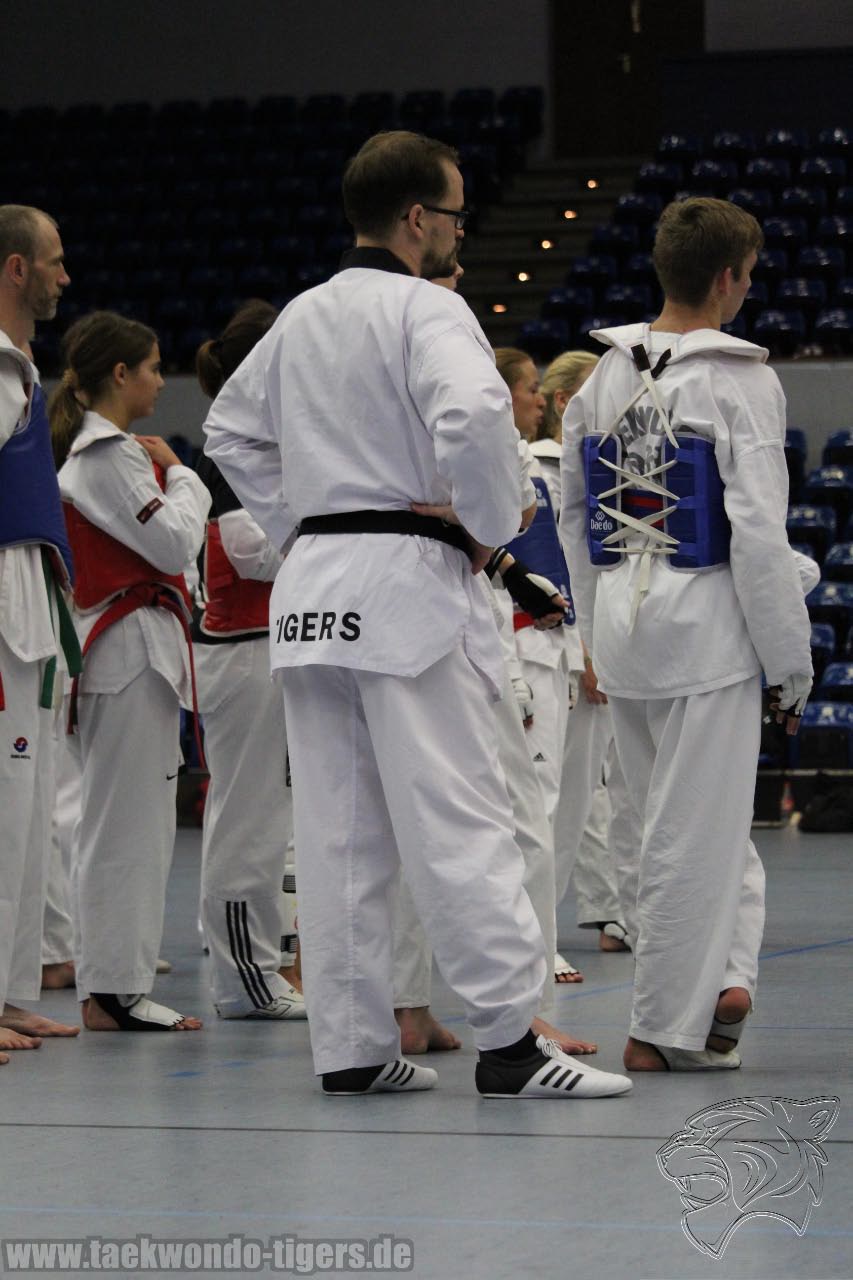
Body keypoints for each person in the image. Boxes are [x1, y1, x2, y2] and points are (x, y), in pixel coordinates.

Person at [204, 129, 631, 1099]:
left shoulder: (303, 314)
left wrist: (304, 521)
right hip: (405, 585)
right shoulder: (428, 309)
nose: (460, 232)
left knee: (337, 832)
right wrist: (489, 521)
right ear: (414, 218)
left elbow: (227, 427)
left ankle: (352, 1047)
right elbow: (476, 418)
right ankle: (511, 1043)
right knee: (460, 814)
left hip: (315, 590)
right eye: (453, 215)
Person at [560, 196, 813, 1071]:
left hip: (625, 629)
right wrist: (789, 663)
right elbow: (759, 534)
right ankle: (660, 1031)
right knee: (688, 837)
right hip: (705, 632)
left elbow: (574, 518)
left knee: (689, 826)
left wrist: (592, 635)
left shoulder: (601, 376)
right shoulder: (739, 379)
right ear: (728, 278)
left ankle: (724, 985)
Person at [51, 310, 210, 1032]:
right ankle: (112, 990)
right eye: (150, 367)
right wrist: (184, 475)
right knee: (126, 826)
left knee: (129, 823)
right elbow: (174, 542)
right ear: (120, 374)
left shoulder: (103, 453)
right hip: (125, 649)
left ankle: (114, 983)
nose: (158, 380)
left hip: (133, 649)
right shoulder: (108, 456)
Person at [194, 300, 306, 1021]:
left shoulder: (268, 440)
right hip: (241, 651)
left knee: (267, 820)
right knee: (248, 820)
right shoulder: (231, 445)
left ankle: (258, 965)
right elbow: (251, 552)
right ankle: (243, 979)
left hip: (268, 646)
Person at [0, 204, 80, 1063]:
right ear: (16, 268)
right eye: (54, 261)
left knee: (23, 816)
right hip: (0, 610)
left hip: (25, 612)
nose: (65, 275)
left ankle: (11, 991)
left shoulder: (18, 369)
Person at [539, 350, 635, 957]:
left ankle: (611, 909)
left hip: (603, 642)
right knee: (553, 798)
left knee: (591, 797)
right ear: (562, 401)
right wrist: (586, 648)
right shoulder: (540, 467)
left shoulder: (608, 462)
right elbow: (556, 568)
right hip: (556, 646)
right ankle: (535, 932)